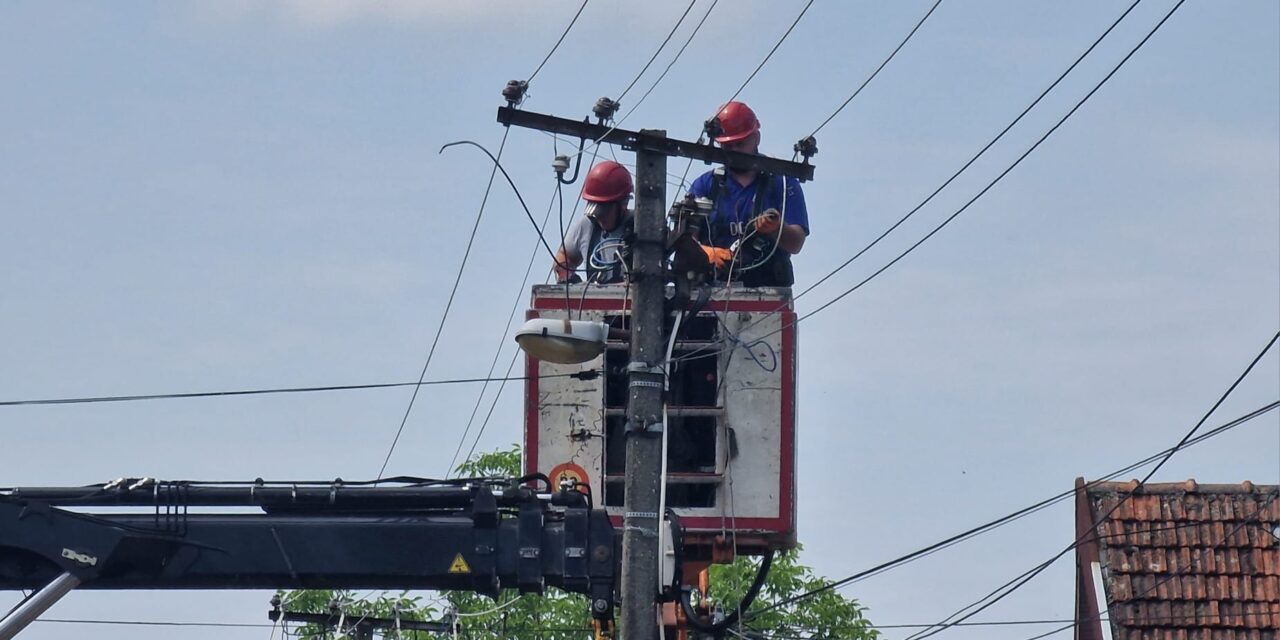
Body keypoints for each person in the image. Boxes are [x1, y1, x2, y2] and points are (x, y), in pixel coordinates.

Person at [687, 101, 809, 287]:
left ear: (756, 138)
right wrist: (703, 252)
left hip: (768, 293)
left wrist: (777, 228)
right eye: (728, 146)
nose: (735, 151)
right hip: (710, 294)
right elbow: (685, 240)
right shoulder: (705, 185)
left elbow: (796, 243)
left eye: (740, 143)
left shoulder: (783, 183)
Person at [553, 160, 635, 284]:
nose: (600, 217)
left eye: (605, 210)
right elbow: (564, 255)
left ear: (624, 203)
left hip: (635, 300)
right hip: (596, 300)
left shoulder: (640, 226)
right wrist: (566, 275)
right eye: (596, 211)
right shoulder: (587, 226)